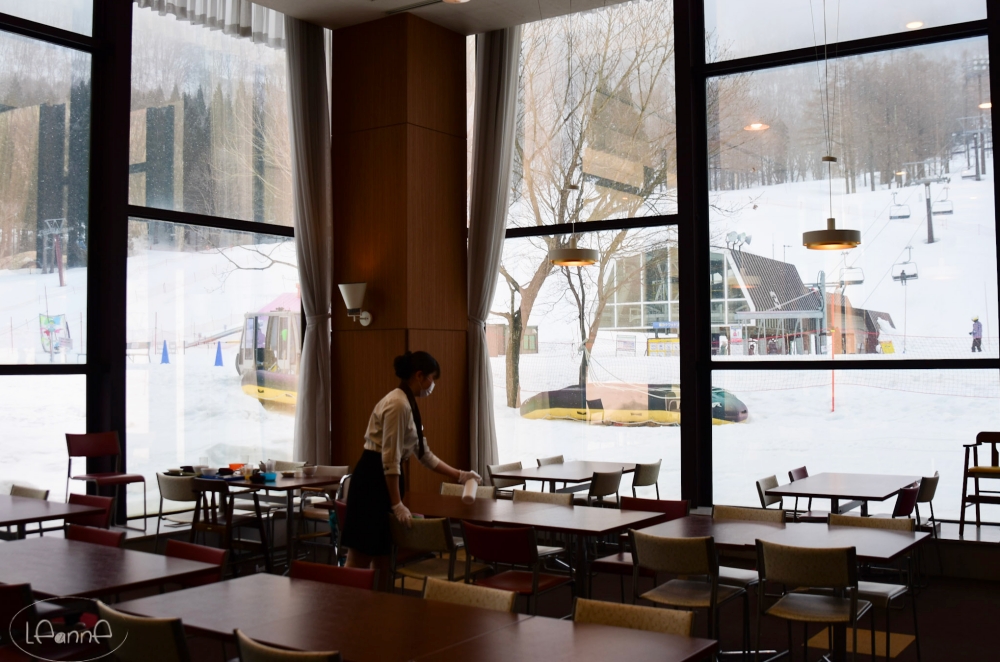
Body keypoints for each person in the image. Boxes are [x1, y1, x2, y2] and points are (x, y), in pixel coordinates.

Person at [341, 350, 481, 580]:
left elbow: (424, 455)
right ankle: (345, 610)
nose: (432, 384)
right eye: (432, 378)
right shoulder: (398, 404)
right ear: (419, 376)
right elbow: (390, 459)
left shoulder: (408, 403)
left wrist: (460, 475)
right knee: (360, 557)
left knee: (384, 557)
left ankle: (378, 612)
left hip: (383, 480)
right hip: (373, 481)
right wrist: (397, 504)